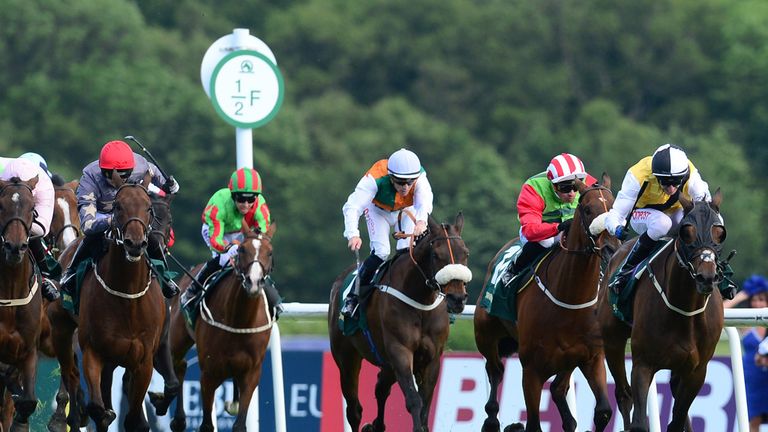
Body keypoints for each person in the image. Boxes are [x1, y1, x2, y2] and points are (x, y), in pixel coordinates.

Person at [599, 143, 726, 296]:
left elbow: (707, 212)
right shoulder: (637, 175)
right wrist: (617, 229)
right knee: (661, 223)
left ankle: (719, 268)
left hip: (677, 213)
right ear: (656, 176)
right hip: (643, 215)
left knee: (709, 221)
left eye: (676, 181)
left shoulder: (691, 174)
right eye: (666, 182)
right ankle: (626, 270)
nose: (671, 188)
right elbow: (616, 215)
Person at [58, 140, 180, 297]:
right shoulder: (90, 177)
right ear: (103, 170)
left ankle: (164, 276)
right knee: (92, 236)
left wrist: (170, 185)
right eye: (111, 174)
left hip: (131, 211)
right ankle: (71, 272)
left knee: (151, 236)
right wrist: (113, 220)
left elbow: (167, 186)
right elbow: (88, 225)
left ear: (132, 169)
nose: (117, 180)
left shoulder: (142, 165)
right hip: (103, 213)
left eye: (125, 175)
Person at [340, 148, 434, 317]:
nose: (405, 187)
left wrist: (421, 221)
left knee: (407, 250)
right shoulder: (375, 178)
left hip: (406, 210)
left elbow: (424, 202)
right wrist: (353, 233)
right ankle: (353, 296)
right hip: (378, 211)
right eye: (400, 182)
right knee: (382, 252)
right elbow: (352, 206)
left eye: (410, 182)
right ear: (391, 177)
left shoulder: (420, 178)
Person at [180, 167, 282, 319]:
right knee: (223, 260)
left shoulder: (260, 206)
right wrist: (229, 247)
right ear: (233, 196)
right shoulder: (220, 205)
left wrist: (255, 242)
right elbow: (216, 241)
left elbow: (263, 232)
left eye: (251, 199)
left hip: (242, 230)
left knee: (255, 258)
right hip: (215, 230)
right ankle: (192, 290)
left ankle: (273, 296)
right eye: (241, 199)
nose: (246, 204)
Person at [499, 153, 596, 286]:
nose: (571, 193)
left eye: (575, 187)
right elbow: (530, 231)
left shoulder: (588, 183)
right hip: (540, 234)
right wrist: (559, 227)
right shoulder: (533, 187)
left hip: (571, 230)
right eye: (565, 188)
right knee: (546, 241)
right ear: (553, 185)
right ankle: (513, 270)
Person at [0, 156, 60, 301]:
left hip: (32, 217)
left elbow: (42, 229)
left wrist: (18, 223)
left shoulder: (44, 187)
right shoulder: (3, 177)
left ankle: (47, 276)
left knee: (26, 235)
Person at [725, 275, 768, 431]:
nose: (757, 303)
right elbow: (720, 311)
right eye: (754, 299)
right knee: (752, 420)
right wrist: (741, 295)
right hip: (751, 378)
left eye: (761, 299)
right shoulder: (745, 322)